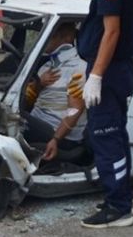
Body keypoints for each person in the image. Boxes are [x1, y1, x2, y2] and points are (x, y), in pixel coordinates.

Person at [74, 0, 133, 229]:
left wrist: (96, 76)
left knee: (105, 136)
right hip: (119, 67)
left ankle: (118, 208)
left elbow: (111, 31)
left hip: (110, 68)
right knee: (116, 135)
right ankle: (122, 198)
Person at [21, 22, 87, 162]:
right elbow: (27, 103)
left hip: (61, 135)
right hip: (39, 123)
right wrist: (38, 84)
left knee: (14, 120)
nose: (45, 41)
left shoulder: (79, 68)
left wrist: (56, 139)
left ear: (67, 38)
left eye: (50, 36)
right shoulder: (46, 66)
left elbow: (75, 110)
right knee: (9, 116)